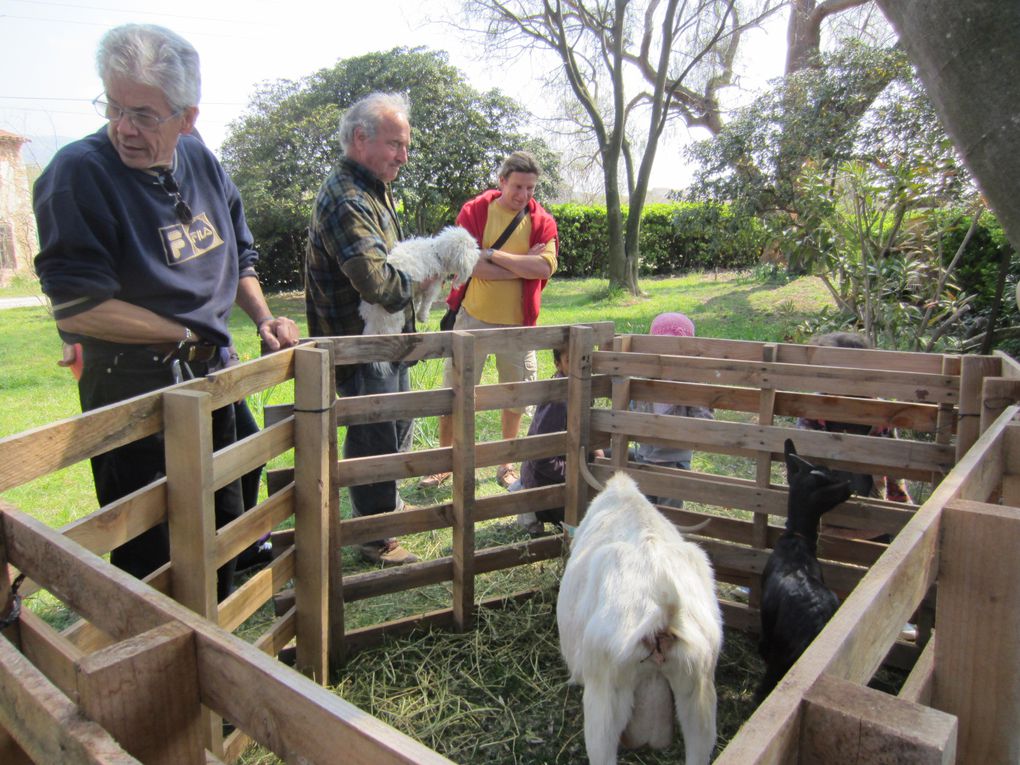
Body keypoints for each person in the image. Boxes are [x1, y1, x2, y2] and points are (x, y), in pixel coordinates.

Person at [33, 24, 299, 599]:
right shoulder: (78, 175)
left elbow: (238, 249)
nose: (124, 127)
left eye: (145, 114)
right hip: (134, 384)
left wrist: (261, 317)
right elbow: (80, 307)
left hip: (212, 370)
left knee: (225, 513)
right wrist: (184, 333)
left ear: (187, 117)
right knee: (155, 540)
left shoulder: (201, 160)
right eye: (114, 106)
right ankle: (160, 659)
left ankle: (213, 633)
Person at [305, 92, 426, 566]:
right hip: (359, 341)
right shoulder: (347, 198)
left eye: (405, 145)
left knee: (393, 424)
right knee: (372, 432)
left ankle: (385, 509)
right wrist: (422, 280)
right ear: (360, 138)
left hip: (384, 337)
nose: (403, 155)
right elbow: (376, 282)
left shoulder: (372, 188)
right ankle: (374, 536)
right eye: (395, 144)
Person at [421, 151, 558, 490]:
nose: (523, 195)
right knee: (455, 392)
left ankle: (506, 464)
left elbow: (543, 268)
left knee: (516, 397)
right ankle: (444, 463)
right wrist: (519, 265)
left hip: (519, 326)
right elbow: (466, 265)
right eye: (517, 186)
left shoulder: (542, 221)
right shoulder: (476, 211)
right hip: (473, 319)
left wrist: (493, 254)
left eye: (529, 188)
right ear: (501, 182)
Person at [508, 347, 604, 536]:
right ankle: (533, 507)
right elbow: (542, 460)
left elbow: (586, 427)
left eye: (585, 360)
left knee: (627, 460)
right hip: (546, 481)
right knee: (592, 527)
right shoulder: (558, 400)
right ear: (558, 364)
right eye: (570, 360)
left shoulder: (583, 387)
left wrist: (597, 450)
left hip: (572, 458)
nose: (580, 367)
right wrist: (583, 474)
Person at [631, 312, 714, 508]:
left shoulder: (691, 383)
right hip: (644, 458)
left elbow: (704, 421)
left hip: (674, 463)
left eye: (674, 348)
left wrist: (682, 430)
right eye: (661, 346)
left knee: (670, 518)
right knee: (645, 514)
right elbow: (632, 410)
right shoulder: (645, 379)